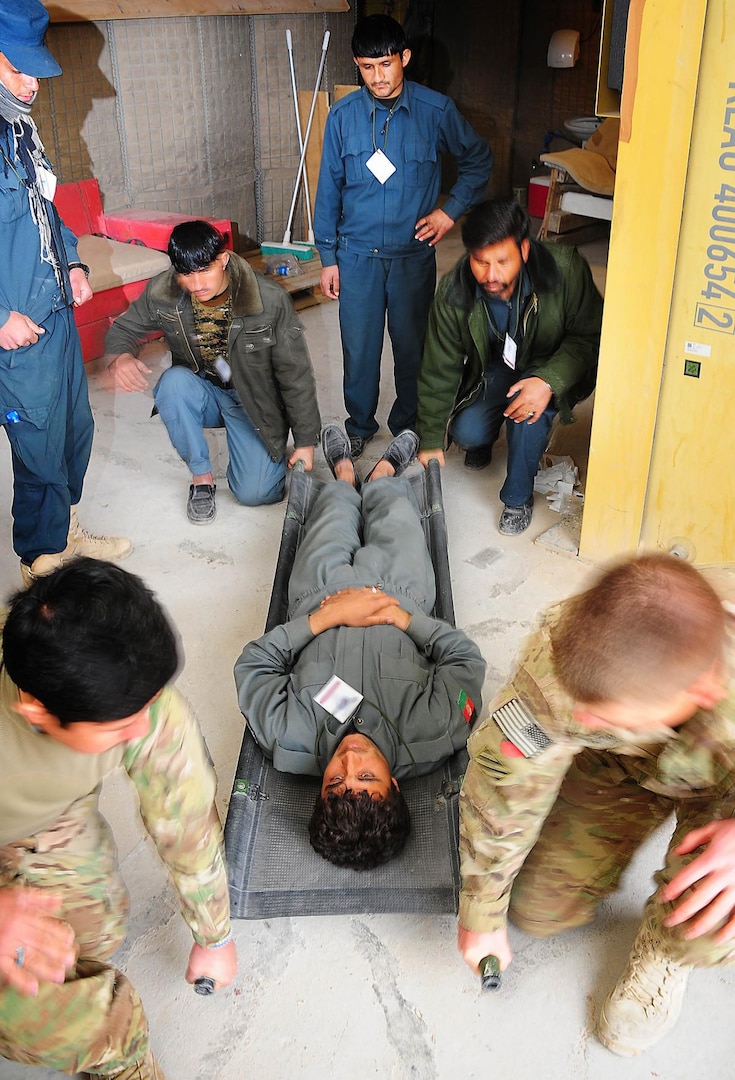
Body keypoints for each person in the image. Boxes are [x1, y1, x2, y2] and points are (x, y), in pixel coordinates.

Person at [456, 553, 735, 1057]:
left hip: (726, 789)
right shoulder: (566, 656)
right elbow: (503, 785)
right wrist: (480, 911)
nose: (580, 716)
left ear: (701, 689)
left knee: (713, 912)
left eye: (609, 714)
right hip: (629, 767)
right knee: (536, 910)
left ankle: (665, 953)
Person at [0, 558, 237, 1079]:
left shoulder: (130, 690)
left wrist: (213, 935)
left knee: (93, 935)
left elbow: (187, 821)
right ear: (37, 713)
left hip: (44, 817)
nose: (144, 731)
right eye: (121, 728)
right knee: (97, 1024)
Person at [234, 424, 485, 869]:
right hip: (400, 588)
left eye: (333, 783)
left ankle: (346, 475)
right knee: (395, 511)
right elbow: (464, 659)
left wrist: (322, 619)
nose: (347, 761)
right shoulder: (435, 730)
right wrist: (405, 619)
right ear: (396, 785)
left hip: (318, 589)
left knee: (331, 514)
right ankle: (385, 473)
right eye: (366, 776)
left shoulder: (287, 736)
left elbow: (253, 665)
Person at [313, 14, 492, 460]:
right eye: (367, 68)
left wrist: (449, 212)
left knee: (413, 349)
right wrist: (328, 256)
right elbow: (328, 187)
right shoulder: (342, 117)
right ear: (357, 65)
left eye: (386, 65)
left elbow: (478, 159)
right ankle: (358, 424)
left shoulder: (436, 111)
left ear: (404, 58)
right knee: (359, 350)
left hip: (413, 256)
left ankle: (408, 424)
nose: (378, 78)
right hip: (356, 257)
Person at [0, 0, 131, 585]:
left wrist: (74, 262)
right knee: (37, 441)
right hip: (16, 326)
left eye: (35, 70)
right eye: (18, 69)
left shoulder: (19, 129)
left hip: (53, 307)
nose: (32, 83)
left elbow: (43, 209)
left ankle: (67, 530)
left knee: (75, 426)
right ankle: (40, 559)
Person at [104, 220, 321, 524]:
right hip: (204, 389)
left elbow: (295, 374)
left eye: (205, 270)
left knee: (256, 494)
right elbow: (125, 328)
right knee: (172, 385)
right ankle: (201, 479)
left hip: (253, 401)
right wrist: (122, 357)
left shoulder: (269, 299)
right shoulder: (164, 291)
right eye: (186, 274)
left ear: (223, 260)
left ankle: (258, 451)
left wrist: (305, 442)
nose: (196, 284)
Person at [416, 197, 603, 535]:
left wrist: (548, 380)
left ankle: (517, 499)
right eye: (479, 261)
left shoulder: (564, 269)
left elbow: (590, 337)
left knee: (527, 417)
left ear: (525, 250)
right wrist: (430, 436)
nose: (491, 274)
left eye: (502, 261)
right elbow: (438, 366)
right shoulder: (454, 290)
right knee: (466, 432)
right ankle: (484, 437)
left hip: (548, 363)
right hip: (498, 367)